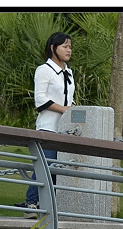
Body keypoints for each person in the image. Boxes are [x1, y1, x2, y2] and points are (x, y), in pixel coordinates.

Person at [15, 32, 76, 217]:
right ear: (52, 48)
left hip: (65, 130)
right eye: (65, 46)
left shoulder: (69, 72)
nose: (69, 50)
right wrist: (65, 109)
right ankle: (31, 203)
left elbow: (69, 99)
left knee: (58, 170)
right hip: (48, 127)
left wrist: (72, 109)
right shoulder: (44, 70)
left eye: (70, 47)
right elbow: (40, 100)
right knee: (46, 166)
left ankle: (47, 207)